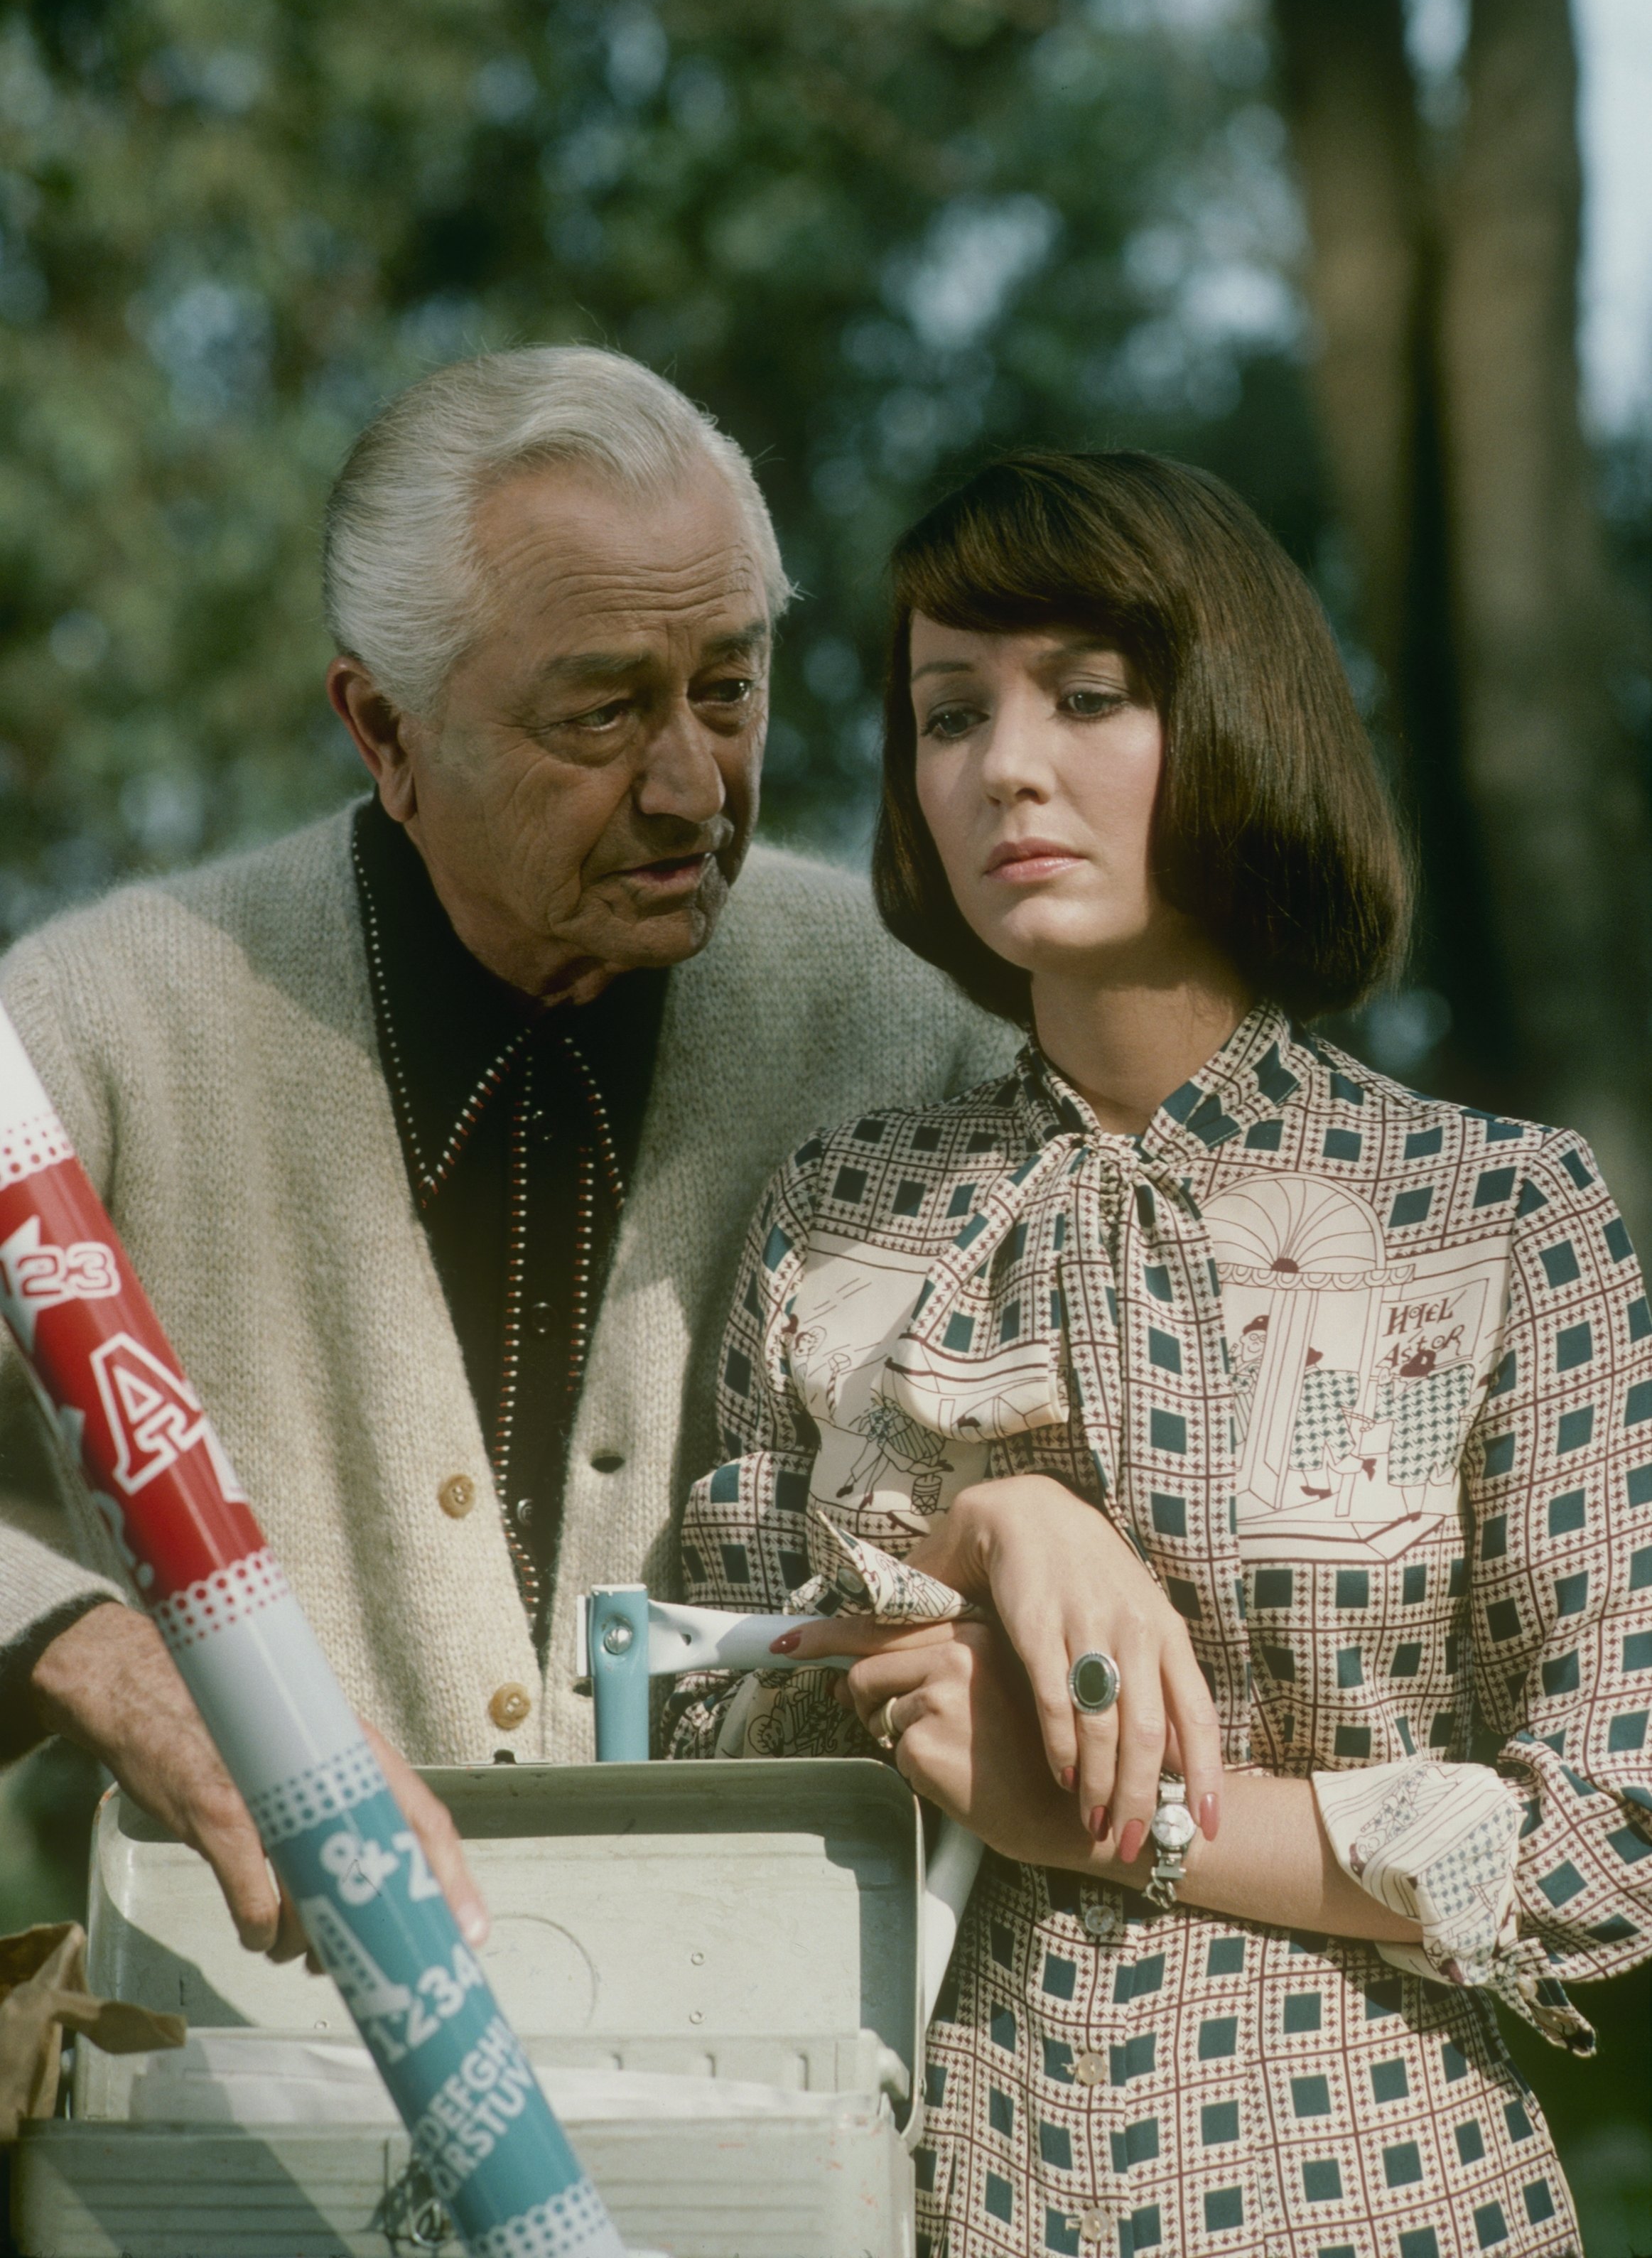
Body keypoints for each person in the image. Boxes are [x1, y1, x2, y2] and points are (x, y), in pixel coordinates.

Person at [672, 450, 1652, 2258]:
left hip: (1379, 2197)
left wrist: (1133, 1825)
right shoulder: (840, 1221)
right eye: (947, 713)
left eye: (1088, 697)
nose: (1003, 767)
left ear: (1234, 718)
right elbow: (694, 1761)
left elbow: (1615, 1836)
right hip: (912, 2194)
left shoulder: (1492, 1216)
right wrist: (977, 1532)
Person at [0, 345, 1009, 1963]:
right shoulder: (92, 1027)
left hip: (794, 2074)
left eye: (728, 688)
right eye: (600, 711)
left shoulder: (915, 1025)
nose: (690, 784)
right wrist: (117, 1672)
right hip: (262, 2071)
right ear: (381, 729)